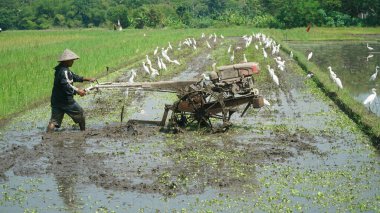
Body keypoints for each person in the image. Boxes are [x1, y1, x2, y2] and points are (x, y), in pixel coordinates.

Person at [47, 49, 96, 132]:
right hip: (66, 101)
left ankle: (47, 136)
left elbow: (74, 77)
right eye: (72, 60)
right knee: (80, 113)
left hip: (56, 100)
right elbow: (67, 85)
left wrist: (88, 79)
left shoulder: (61, 69)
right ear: (66, 61)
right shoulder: (64, 71)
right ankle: (83, 132)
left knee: (54, 121)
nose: (73, 62)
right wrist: (78, 91)